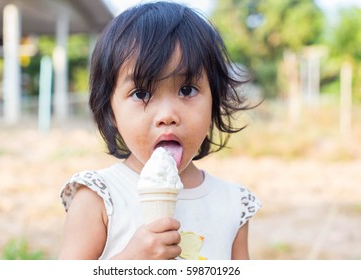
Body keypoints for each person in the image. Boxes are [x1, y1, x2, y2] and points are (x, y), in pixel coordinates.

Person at [59, 1, 261, 260]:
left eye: (187, 90)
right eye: (141, 93)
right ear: (110, 111)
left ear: (215, 99)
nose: (167, 116)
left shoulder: (233, 205)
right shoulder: (98, 197)